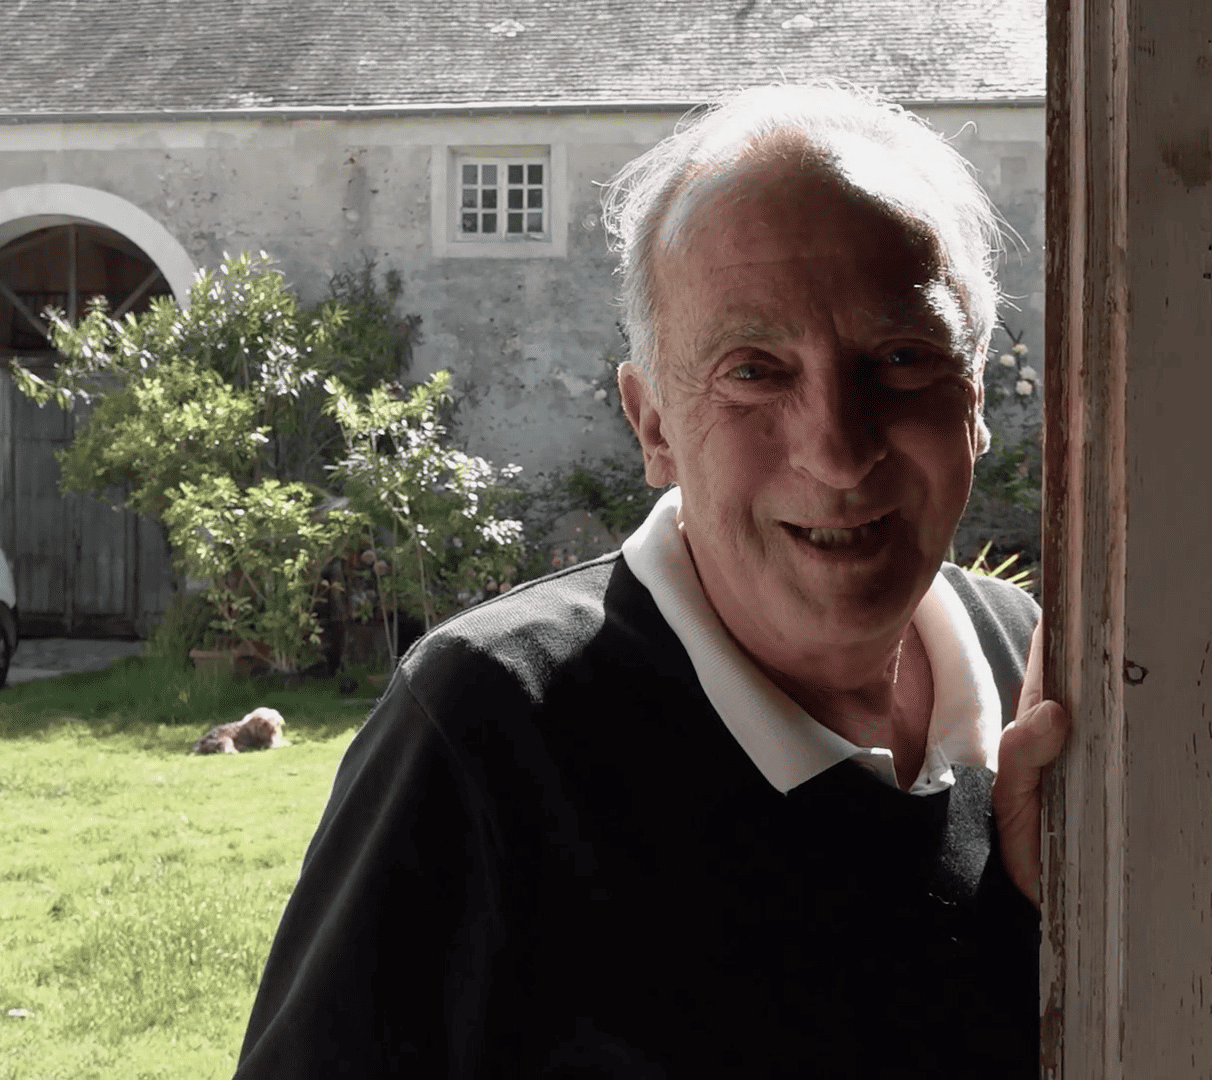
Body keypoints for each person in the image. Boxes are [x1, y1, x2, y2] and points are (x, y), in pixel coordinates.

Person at [235, 83, 1071, 1078]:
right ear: (654, 424)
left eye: (900, 356)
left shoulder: (1042, 672)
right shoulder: (490, 725)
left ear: (973, 397)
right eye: (754, 371)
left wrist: (1049, 925)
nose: (839, 451)